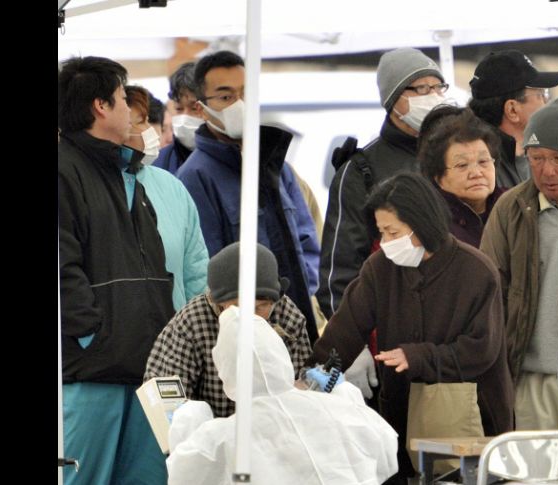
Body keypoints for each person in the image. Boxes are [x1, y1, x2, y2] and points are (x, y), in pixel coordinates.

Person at [309, 173, 513, 483]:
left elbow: (482, 349)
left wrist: (417, 357)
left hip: (474, 419)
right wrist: (316, 380)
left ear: (422, 224)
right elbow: (345, 333)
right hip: (403, 414)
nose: (387, 243)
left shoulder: (476, 271)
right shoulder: (379, 269)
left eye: (393, 232)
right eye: (382, 233)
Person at [58, 56, 175, 485]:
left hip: (149, 368)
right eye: (124, 98)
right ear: (100, 106)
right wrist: (92, 333)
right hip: (92, 372)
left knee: (155, 479)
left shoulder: (129, 172)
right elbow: (61, 267)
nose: (131, 110)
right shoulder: (64, 169)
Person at [176, 50, 320, 344]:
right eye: (226, 97)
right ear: (202, 108)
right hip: (240, 333)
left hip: (298, 323)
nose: (239, 103)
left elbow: (307, 240)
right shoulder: (195, 176)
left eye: (244, 93)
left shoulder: (275, 165)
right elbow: (205, 266)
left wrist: (301, 294)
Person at [166, 306, 399, 485]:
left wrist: (187, 421)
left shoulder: (225, 436)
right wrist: (344, 394)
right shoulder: (329, 409)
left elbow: (185, 474)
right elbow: (385, 447)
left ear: (226, 368)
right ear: (279, 353)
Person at [480, 97, 558, 431]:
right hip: (532, 383)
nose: (547, 170)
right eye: (537, 158)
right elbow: (488, 295)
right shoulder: (511, 209)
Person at [317, 47, 447, 319]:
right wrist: (351, 341)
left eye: (438, 87)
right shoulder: (361, 169)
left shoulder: (458, 156)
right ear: (393, 99)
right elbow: (339, 271)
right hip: (392, 317)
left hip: (453, 312)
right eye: (421, 89)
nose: (433, 97)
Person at [145, 242, 312, 418]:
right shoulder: (191, 323)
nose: (251, 316)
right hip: (208, 434)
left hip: (274, 429)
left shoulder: (288, 317)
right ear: (219, 302)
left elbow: (301, 391)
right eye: (240, 307)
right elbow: (166, 401)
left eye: (261, 307)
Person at [124, 85, 209, 310]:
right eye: (139, 123)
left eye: (151, 123)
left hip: (176, 329)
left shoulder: (172, 185)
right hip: (120, 334)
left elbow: (196, 267)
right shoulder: (93, 184)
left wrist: (195, 326)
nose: (150, 132)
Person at [469, 49, 558, 190]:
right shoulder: (481, 169)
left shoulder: (533, 154)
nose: (547, 102)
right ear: (512, 110)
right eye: (541, 94)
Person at [418, 108, 506, 248]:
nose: (476, 173)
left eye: (483, 162)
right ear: (438, 177)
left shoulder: (514, 206)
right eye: (462, 165)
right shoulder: (430, 225)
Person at [153, 62, 203, 174]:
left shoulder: (236, 157)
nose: (185, 117)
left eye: (194, 108)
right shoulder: (160, 164)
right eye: (179, 109)